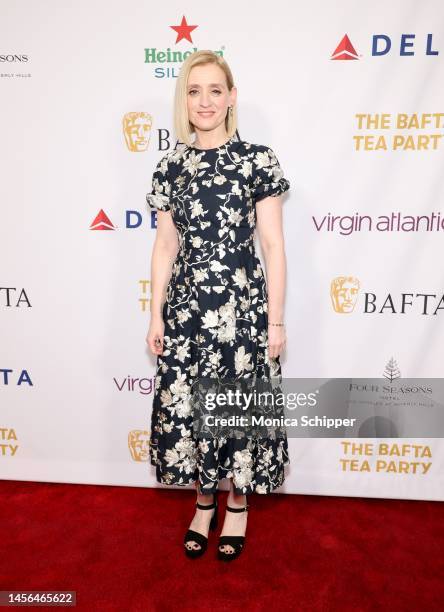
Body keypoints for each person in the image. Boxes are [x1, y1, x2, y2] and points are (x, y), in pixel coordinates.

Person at [146, 50, 290, 562]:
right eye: (193, 90)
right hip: (187, 313)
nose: (204, 101)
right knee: (192, 408)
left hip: (242, 308)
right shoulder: (170, 166)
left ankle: (237, 502)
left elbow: (272, 245)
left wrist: (274, 320)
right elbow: (165, 246)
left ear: (231, 98)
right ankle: (203, 500)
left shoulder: (257, 159)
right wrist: (155, 312)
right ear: (183, 100)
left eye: (214, 90)